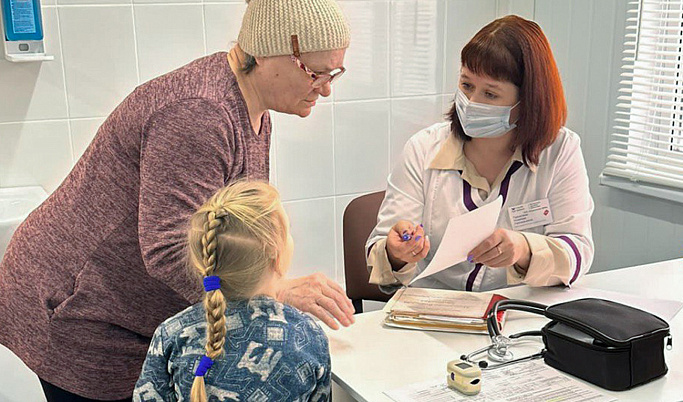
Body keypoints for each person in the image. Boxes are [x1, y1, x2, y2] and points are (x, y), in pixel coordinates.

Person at [0, 0, 353, 400]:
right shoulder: (199, 114)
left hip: (125, 311)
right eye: (316, 73)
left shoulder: (252, 107)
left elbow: (229, 229)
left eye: (334, 73)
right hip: (78, 309)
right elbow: (170, 249)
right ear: (268, 52)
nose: (326, 88)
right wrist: (275, 292)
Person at [366, 15, 594, 293]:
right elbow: (381, 253)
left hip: (516, 307)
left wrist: (524, 250)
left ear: (528, 101)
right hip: (432, 307)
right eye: (467, 85)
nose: (471, 103)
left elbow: (577, 252)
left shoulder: (559, 151)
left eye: (490, 94)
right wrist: (395, 252)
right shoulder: (423, 148)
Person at [133, 181, 330, 402]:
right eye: (288, 232)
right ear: (276, 253)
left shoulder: (171, 333)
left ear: (204, 259)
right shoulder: (306, 335)